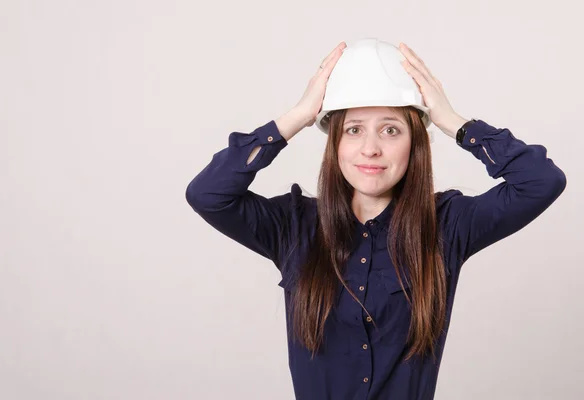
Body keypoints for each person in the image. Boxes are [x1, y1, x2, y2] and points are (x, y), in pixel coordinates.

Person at [185, 38, 567, 400]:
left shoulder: (446, 226)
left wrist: (453, 122)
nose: (370, 148)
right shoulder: (293, 226)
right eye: (353, 130)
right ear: (334, 143)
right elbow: (207, 194)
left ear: (414, 143)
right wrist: (298, 117)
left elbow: (541, 181)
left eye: (390, 130)